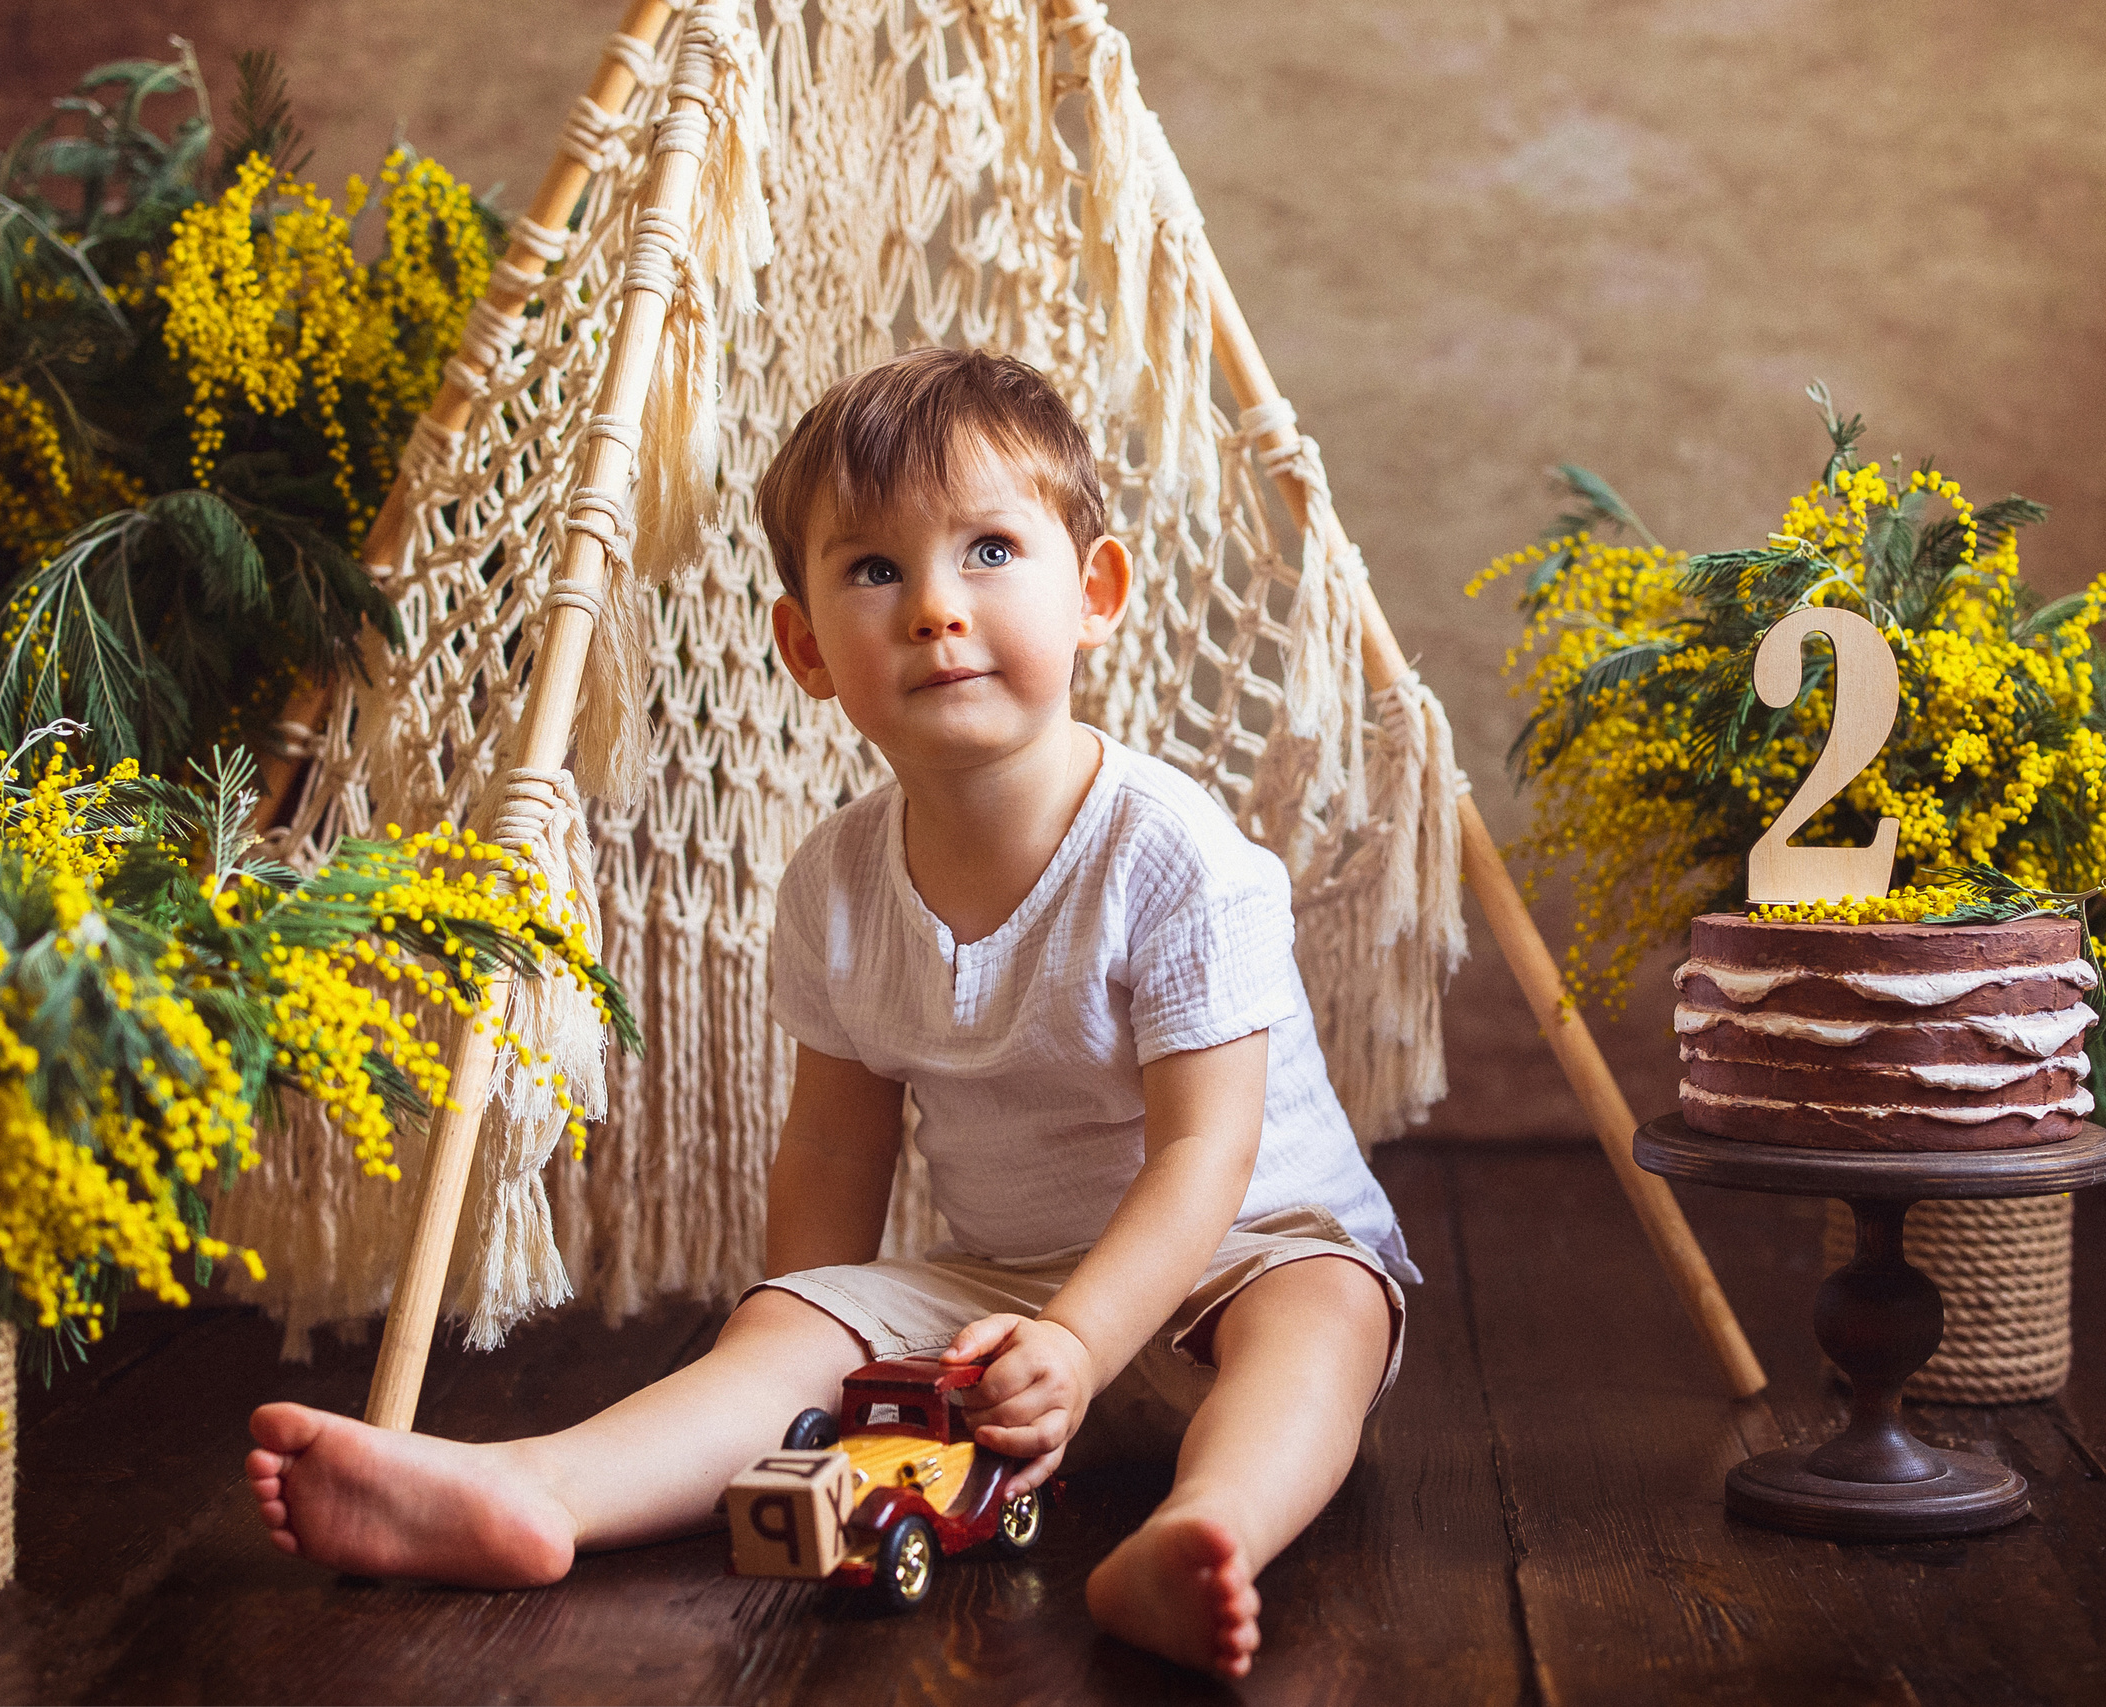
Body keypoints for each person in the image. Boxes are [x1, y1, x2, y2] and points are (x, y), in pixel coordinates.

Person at [244, 347, 1414, 1680]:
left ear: (1095, 594)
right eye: (874, 571)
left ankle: (1209, 1529)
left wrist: (1086, 1342)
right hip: (1008, 1297)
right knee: (788, 1321)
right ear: (805, 647)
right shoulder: (839, 884)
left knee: (1327, 1312)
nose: (932, 608)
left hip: (1240, 1255)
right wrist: (823, 1330)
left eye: (988, 551)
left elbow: (1207, 1153)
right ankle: (540, 1488)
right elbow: (837, 1148)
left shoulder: (1175, 859)